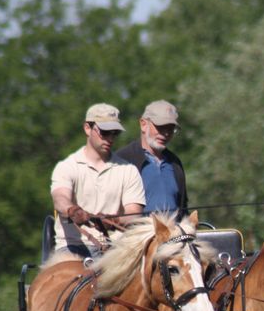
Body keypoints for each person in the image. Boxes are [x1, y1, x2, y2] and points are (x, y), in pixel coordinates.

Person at [50, 103, 146, 256]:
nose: (110, 138)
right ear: (87, 128)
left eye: (115, 133)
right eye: (105, 132)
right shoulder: (67, 167)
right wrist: (73, 211)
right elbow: (60, 199)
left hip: (115, 250)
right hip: (72, 247)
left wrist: (114, 222)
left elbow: (134, 214)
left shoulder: (128, 170)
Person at [115, 99, 189, 217]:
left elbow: (183, 209)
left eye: (170, 129)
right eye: (160, 127)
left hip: (174, 235)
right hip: (135, 235)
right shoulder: (121, 160)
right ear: (143, 124)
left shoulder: (175, 163)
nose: (165, 133)